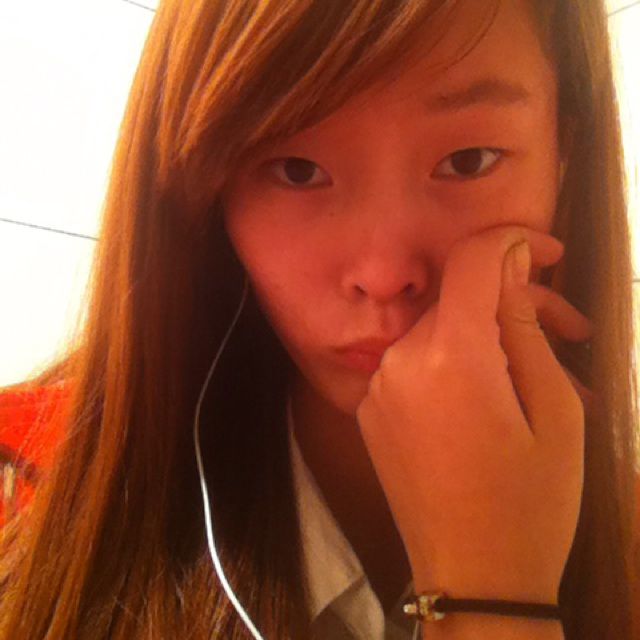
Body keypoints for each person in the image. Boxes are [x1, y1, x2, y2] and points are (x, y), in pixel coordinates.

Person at [0, 0, 637, 638]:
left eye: (469, 160)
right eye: (297, 170)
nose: (384, 272)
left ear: (564, 158)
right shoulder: (20, 490)